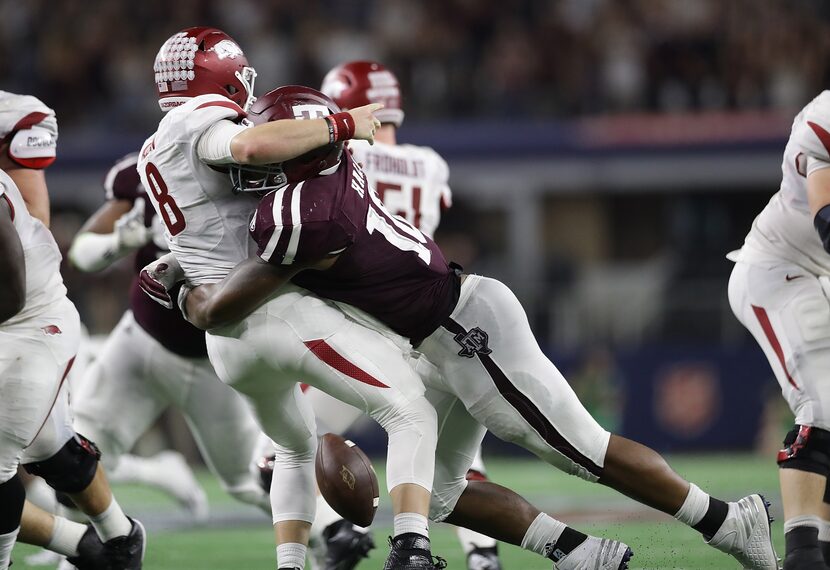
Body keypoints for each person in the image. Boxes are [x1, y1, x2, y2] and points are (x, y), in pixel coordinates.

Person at [159, 84, 782, 570]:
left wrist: (180, 284)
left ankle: (725, 522)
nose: (261, 151)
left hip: (462, 327)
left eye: (279, 136)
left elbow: (222, 308)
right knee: (432, 491)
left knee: (579, 452)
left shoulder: (305, 212)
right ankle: (582, 553)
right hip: (428, 338)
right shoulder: (315, 185)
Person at [135, 27, 447, 570]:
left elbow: (211, 225)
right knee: (409, 407)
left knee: (294, 449)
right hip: (271, 313)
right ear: (221, 75)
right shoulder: (202, 122)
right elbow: (248, 146)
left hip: (226, 341)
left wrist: (175, 267)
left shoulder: (154, 146)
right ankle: (412, 551)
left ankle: (291, 564)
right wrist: (342, 124)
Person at [298, 59, 501, 570]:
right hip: (423, 319)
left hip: (357, 324)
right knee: (450, 461)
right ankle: (483, 554)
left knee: (281, 443)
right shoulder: (430, 163)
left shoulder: (343, 154)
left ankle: (337, 533)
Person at [68, 151, 271, 518]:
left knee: (247, 479)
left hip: (213, 359)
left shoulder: (251, 168)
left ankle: (332, 532)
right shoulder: (146, 169)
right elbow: (82, 253)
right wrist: (119, 242)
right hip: (142, 337)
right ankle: (88, 552)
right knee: (76, 457)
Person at [0, 92, 144, 569]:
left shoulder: (14, 120)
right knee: (49, 449)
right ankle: (110, 546)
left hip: (23, 320)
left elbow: (14, 278)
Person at [729, 90, 830, 570]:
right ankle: (803, 555)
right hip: (779, 271)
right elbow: (828, 218)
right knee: (823, 401)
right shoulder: (824, 118)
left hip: (821, 278)